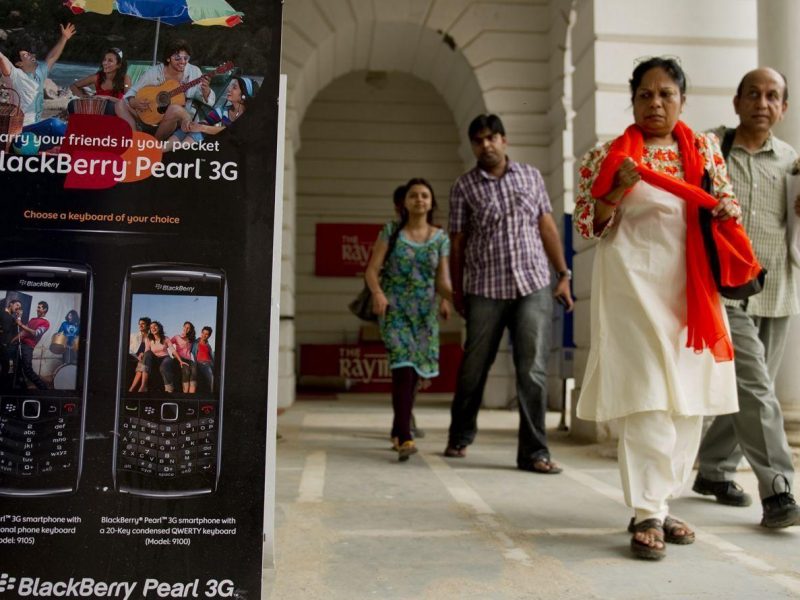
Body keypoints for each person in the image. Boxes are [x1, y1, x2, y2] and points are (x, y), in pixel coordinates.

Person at [574, 57, 762, 560]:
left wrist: (725, 210)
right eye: (645, 95)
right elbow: (589, 226)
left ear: (682, 99)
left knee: (688, 400)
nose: (655, 103)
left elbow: (724, 203)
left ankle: (664, 499)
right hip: (632, 285)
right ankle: (646, 512)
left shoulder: (703, 150)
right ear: (633, 100)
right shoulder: (605, 154)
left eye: (666, 94)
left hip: (690, 288)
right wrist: (617, 186)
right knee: (648, 396)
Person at [693, 67, 800, 529]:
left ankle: (713, 470)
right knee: (757, 389)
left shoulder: (792, 161)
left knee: (750, 392)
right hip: (727, 293)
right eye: (752, 94)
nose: (762, 102)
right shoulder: (712, 150)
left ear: (783, 108)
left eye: (772, 96)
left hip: (777, 292)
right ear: (736, 102)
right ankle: (778, 490)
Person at [444, 113, 574, 474]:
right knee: (475, 366)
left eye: (491, 138)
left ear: (504, 141)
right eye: (478, 140)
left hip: (533, 284)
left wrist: (563, 274)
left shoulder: (530, 176)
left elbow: (546, 225)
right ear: (473, 145)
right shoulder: (464, 187)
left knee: (531, 367)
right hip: (485, 288)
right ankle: (460, 433)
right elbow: (458, 243)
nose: (485, 145)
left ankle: (534, 452)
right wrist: (457, 291)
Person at [365, 178, 453, 461]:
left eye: (425, 195)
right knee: (403, 368)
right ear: (404, 202)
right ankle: (405, 437)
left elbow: (443, 280)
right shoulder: (390, 231)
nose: (419, 200)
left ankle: (397, 426)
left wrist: (450, 299)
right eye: (414, 195)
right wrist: (377, 293)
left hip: (424, 314)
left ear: (431, 202)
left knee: (415, 374)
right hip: (395, 311)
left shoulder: (440, 238)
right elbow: (371, 270)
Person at [116, 39, 215, 140]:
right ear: (168, 58)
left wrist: (206, 91)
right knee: (120, 104)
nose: (183, 62)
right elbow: (132, 91)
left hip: (181, 118)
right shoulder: (154, 72)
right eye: (178, 58)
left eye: (186, 58)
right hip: (152, 114)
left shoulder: (194, 72)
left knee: (174, 109)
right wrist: (134, 102)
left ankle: (154, 145)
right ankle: (135, 139)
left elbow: (208, 101)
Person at [0, 23, 76, 146]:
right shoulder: (15, 75)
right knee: (53, 124)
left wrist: (64, 38)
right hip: (19, 134)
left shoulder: (39, 73)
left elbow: (52, 57)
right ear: (19, 64)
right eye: (26, 55)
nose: (31, 56)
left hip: (35, 132)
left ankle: (80, 148)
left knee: (67, 126)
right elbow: (2, 59)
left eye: (30, 54)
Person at [166, 76, 258, 149]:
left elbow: (232, 131)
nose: (229, 89)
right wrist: (192, 126)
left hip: (235, 152)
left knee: (200, 131)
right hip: (220, 146)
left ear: (244, 95)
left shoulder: (250, 116)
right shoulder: (224, 110)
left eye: (234, 88)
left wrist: (203, 128)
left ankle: (176, 155)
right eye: (231, 86)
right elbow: (207, 121)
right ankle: (163, 151)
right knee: (191, 130)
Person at [68, 47, 130, 116]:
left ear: (119, 65)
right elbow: (74, 86)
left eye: (110, 61)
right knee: (72, 105)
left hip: (115, 109)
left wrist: (107, 98)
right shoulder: (96, 77)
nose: (105, 63)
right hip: (97, 109)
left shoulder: (125, 79)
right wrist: (83, 96)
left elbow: (128, 100)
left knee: (110, 108)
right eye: (104, 60)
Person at [12, 301, 51, 390]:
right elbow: (23, 332)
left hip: (28, 347)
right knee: (17, 368)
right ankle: (23, 388)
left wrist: (20, 324)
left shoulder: (46, 323)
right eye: (37, 307)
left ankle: (44, 388)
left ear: (44, 310)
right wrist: (12, 341)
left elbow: (36, 333)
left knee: (28, 370)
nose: (37, 309)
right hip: (20, 345)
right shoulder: (32, 320)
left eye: (39, 307)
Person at [141, 321, 186, 393]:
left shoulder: (166, 338)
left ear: (159, 327)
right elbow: (147, 351)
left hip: (165, 358)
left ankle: (169, 389)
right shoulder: (148, 339)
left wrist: (180, 360)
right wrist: (142, 356)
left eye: (155, 326)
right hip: (155, 359)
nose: (153, 328)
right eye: (151, 327)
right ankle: (143, 386)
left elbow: (173, 350)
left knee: (164, 366)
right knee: (147, 354)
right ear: (150, 330)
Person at [0, 299, 22, 388]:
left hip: (5, 345)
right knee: (5, 367)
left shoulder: (10, 316)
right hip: (2, 344)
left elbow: (16, 325)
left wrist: (19, 316)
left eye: (19, 307)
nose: (18, 308)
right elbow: (6, 328)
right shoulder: (3, 314)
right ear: (11, 304)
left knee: (6, 366)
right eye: (17, 305)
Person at [171, 321, 196, 393]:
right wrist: (174, 354)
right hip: (180, 358)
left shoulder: (191, 339)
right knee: (186, 371)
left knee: (194, 370)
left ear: (190, 330)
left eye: (188, 328)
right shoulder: (177, 337)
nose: (186, 329)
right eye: (185, 327)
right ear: (183, 327)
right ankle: (186, 394)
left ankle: (191, 395)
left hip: (189, 359)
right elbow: (168, 343)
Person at [128, 316, 151, 392]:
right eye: (139, 324)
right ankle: (142, 387)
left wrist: (143, 354)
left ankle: (132, 388)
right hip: (133, 357)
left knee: (144, 359)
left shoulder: (151, 338)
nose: (140, 325)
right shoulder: (133, 336)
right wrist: (136, 356)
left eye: (143, 324)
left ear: (148, 325)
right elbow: (126, 347)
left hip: (144, 359)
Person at [191, 326, 215, 393]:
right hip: (201, 363)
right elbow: (191, 353)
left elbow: (212, 357)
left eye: (206, 334)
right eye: (203, 333)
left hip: (210, 363)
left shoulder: (208, 345)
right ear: (201, 333)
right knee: (212, 378)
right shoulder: (195, 343)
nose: (204, 335)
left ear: (209, 336)